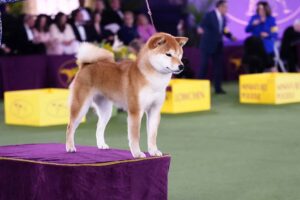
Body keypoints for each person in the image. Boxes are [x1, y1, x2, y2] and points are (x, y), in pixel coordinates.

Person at [198, 0, 236, 94]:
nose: (227, 9)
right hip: (207, 45)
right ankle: (198, 88)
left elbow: (223, 30)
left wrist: (231, 37)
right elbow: (201, 25)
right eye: (225, 7)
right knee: (204, 66)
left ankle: (218, 88)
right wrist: (199, 29)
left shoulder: (223, 18)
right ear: (220, 7)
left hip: (218, 45)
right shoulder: (209, 15)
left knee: (218, 67)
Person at [245, 1, 278, 72]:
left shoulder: (271, 19)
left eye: (262, 8)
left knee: (270, 63)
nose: (260, 10)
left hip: (267, 45)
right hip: (256, 45)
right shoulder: (254, 18)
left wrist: (268, 35)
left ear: (266, 9)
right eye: (258, 8)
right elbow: (247, 30)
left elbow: (275, 34)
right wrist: (253, 24)